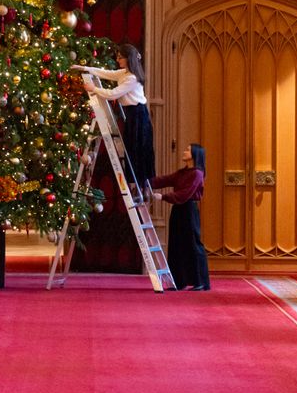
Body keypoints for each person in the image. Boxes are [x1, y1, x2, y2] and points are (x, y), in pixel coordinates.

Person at [82, 42, 155, 191]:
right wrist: (85, 69)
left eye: (121, 57)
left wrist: (93, 89)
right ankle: (139, 186)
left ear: (128, 59)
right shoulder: (124, 73)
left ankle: (141, 187)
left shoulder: (132, 78)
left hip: (138, 116)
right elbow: (108, 73)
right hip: (133, 115)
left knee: (137, 150)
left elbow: (113, 94)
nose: (117, 60)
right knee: (132, 149)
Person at [150, 143, 210, 291]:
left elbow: (185, 194)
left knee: (193, 244)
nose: (184, 151)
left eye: (188, 150)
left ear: (195, 154)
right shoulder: (182, 172)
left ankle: (200, 282)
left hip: (189, 209)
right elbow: (165, 180)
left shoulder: (197, 173)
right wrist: (146, 182)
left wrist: (163, 196)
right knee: (176, 244)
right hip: (178, 209)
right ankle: (179, 281)